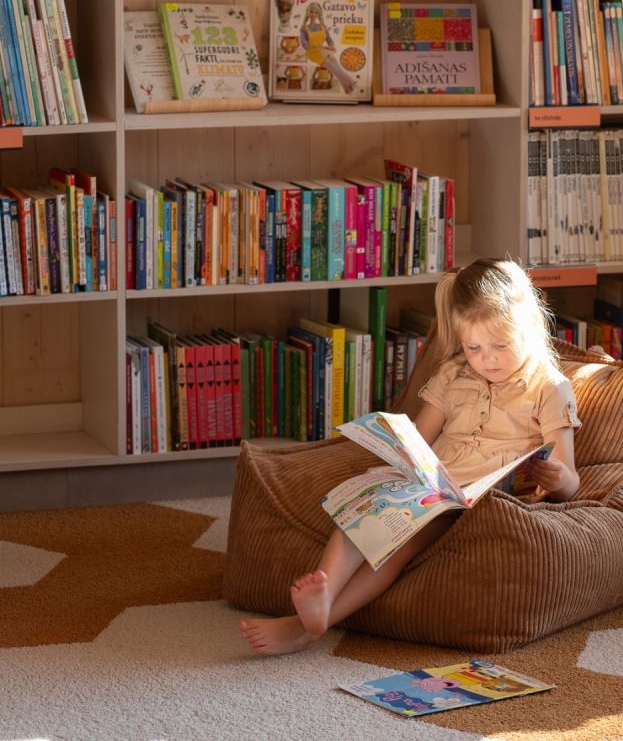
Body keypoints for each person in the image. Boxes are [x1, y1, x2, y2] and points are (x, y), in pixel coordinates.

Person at [239, 258, 581, 655]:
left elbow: (569, 477)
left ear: (529, 328)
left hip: (478, 501)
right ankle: (324, 593)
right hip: (432, 485)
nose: (487, 359)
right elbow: (418, 438)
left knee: (399, 545)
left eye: (501, 346)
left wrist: (559, 480)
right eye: (474, 348)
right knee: (365, 507)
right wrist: (394, 449)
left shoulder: (549, 388)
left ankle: (306, 627)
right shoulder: (454, 376)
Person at [299, 1, 356, 94]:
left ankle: (347, 89)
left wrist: (331, 46)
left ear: (319, 14)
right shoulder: (304, 28)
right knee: (333, 68)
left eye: (316, 12)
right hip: (313, 53)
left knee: (337, 67)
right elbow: (304, 42)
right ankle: (351, 82)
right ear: (308, 12)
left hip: (324, 50)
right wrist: (309, 45)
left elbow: (329, 39)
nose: (313, 14)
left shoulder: (322, 27)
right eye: (311, 11)